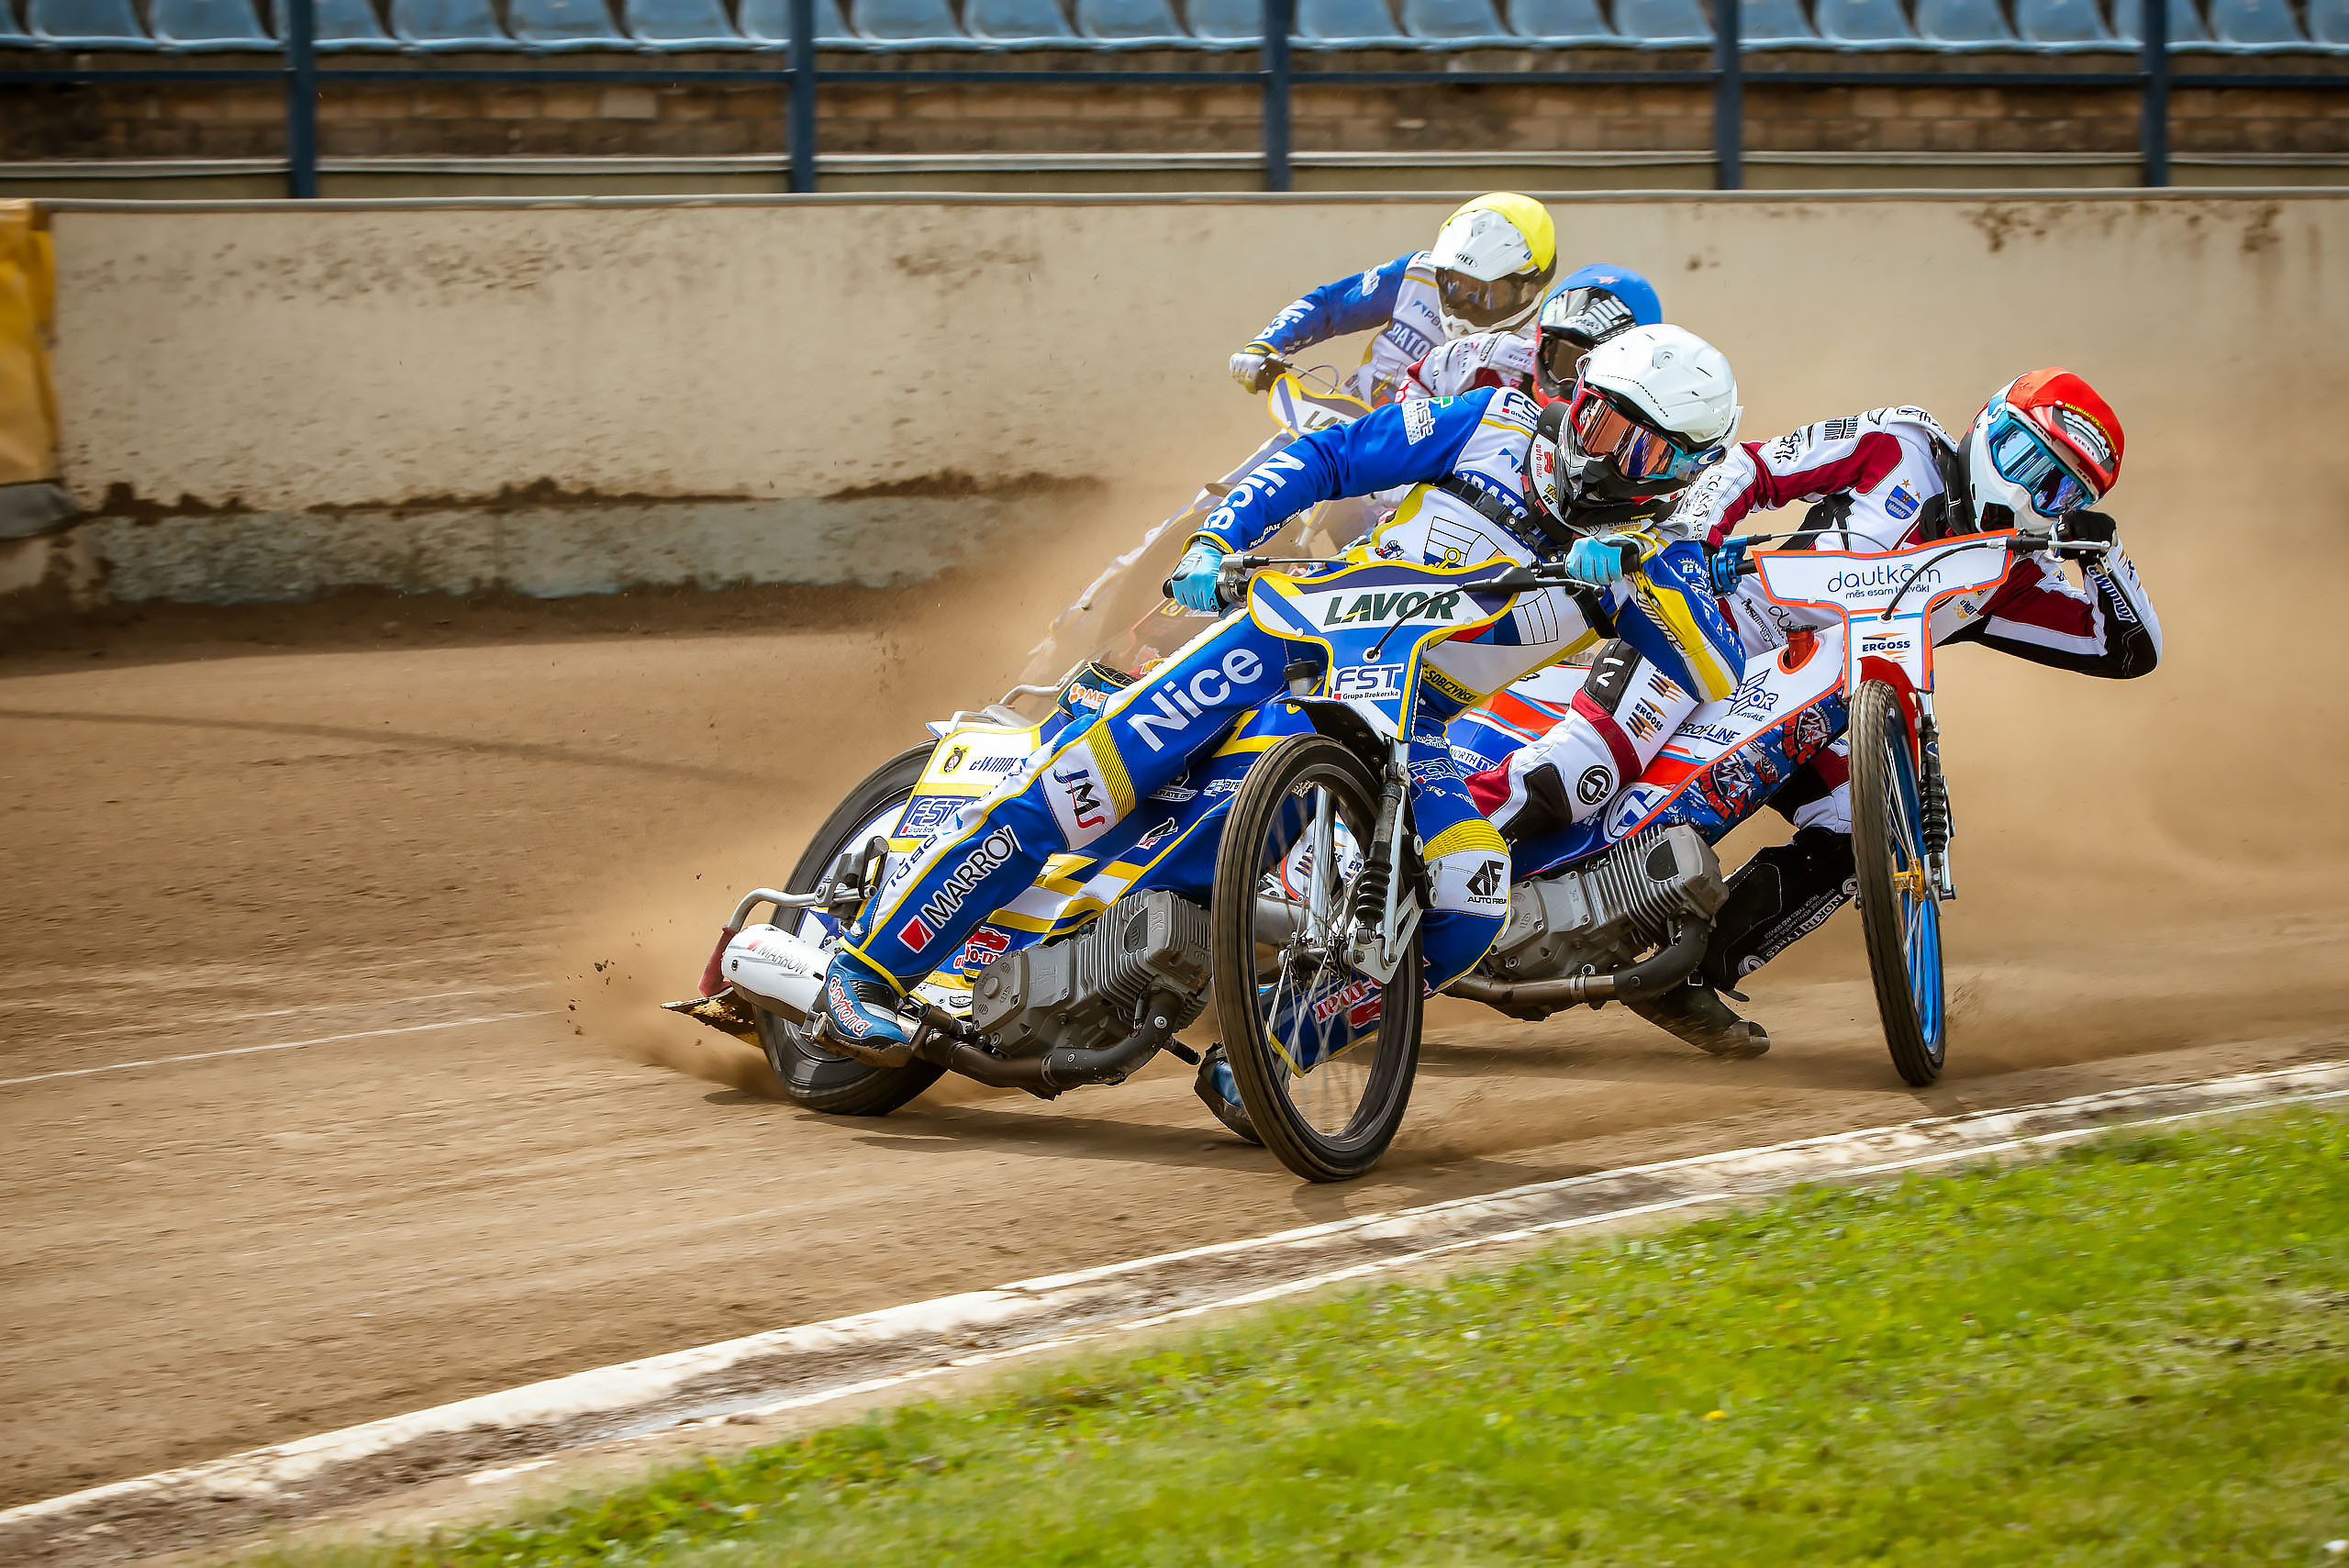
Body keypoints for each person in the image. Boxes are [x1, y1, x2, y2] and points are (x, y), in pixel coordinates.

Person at [818, 329, 1753, 1131]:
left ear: (1687, 469)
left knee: (1470, 898)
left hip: (1409, 718)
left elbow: (1715, 665)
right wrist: (1217, 540)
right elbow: (1329, 456)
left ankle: (1269, 1049)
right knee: (1077, 791)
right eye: (1602, 424)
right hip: (1285, 637)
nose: (1608, 457)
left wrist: (1631, 572)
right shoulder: (1494, 424)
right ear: (1575, 400)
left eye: (1646, 453)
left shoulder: (1654, 554)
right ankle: (865, 974)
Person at [1478, 369, 2163, 1056]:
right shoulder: (1901, 441)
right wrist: (1691, 541)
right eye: (2022, 457)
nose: (2024, 492)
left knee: (1855, 830)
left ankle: (1684, 965)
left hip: (1826, 713)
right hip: (1720, 628)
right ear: (1985, 426)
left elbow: (2124, 647)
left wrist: (2103, 557)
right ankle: (1428, 869)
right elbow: (1753, 467)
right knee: (1580, 772)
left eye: (2060, 489)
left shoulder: (2011, 572)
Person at [1227, 194, 1557, 405]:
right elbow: (1329, 305)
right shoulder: (1417, 273)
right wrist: (1266, 346)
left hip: (1408, 480)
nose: (1467, 302)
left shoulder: (1536, 353)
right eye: (1455, 284)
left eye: (1486, 292)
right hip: (1336, 431)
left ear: (1529, 287)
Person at [1390, 263, 1662, 406]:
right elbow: (1423, 376)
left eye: (1592, 368)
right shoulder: (1490, 357)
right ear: (1541, 343)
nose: (1573, 382)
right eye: (1565, 358)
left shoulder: (1652, 415)